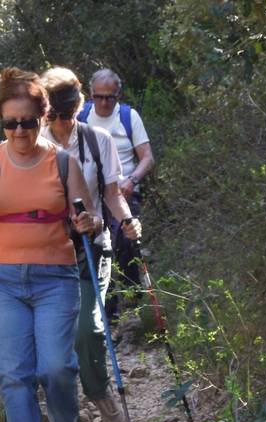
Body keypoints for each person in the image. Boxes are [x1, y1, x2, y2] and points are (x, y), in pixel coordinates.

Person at [0, 67, 101, 422]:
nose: (19, 131)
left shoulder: (64, 162)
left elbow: (90, 219)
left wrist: (89, 222)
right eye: (10, 123)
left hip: (55, 278)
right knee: (15, 375)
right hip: (0, 280)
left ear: (44, 117)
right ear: (2, 122)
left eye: (28, 122)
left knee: (56, 369)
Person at [39, 67, 142, 422]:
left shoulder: (98, 140)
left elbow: (112, 195)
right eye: (57, 109)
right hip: (48, 253)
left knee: (88, 328)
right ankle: (64, 411)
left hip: (93, 247)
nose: (62, 117)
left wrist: (128, 222)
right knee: (55, 336)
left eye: (65, 108)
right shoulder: (31, 144)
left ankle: (100, 395)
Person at [78, 68, 155, 317]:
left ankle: (135, 304)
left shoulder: (128, 116)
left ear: (117, 95)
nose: (103, 102)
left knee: (127, 243)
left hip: (124, 191)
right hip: (91, 194)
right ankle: (106, 310)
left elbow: (147, 158)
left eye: (109, 97)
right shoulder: (81, 116)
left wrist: (132, 180)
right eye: (98, 96)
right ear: (90, 94)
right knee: (97, 246)